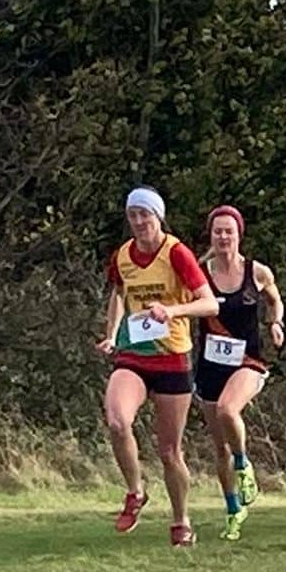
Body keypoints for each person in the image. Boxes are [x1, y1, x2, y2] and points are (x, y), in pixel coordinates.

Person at [99, 187, 220, 546]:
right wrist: (111, 334)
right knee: (118, 420)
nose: (138, 222)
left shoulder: (177, 253)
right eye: (133, 215)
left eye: (145, 215)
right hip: (133, 355)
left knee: (169, 451)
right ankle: (135, 492)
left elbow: (210, 305)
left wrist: (173, 311)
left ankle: (181, 520)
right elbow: (118, 294)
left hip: (172, 358)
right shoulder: (122, 255)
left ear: (158, 216)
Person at [196, 206, 283, 541]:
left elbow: (275, 300)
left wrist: (276, 322)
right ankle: (234, 510)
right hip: (211, 367)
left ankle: (245, 466)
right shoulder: (199, 274)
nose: (222, 237)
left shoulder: (256, 272)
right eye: (217, 231)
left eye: (228, 231)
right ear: (211, 236)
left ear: (239, 234)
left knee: (228, 410)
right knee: (220, 450)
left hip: (248, 361)